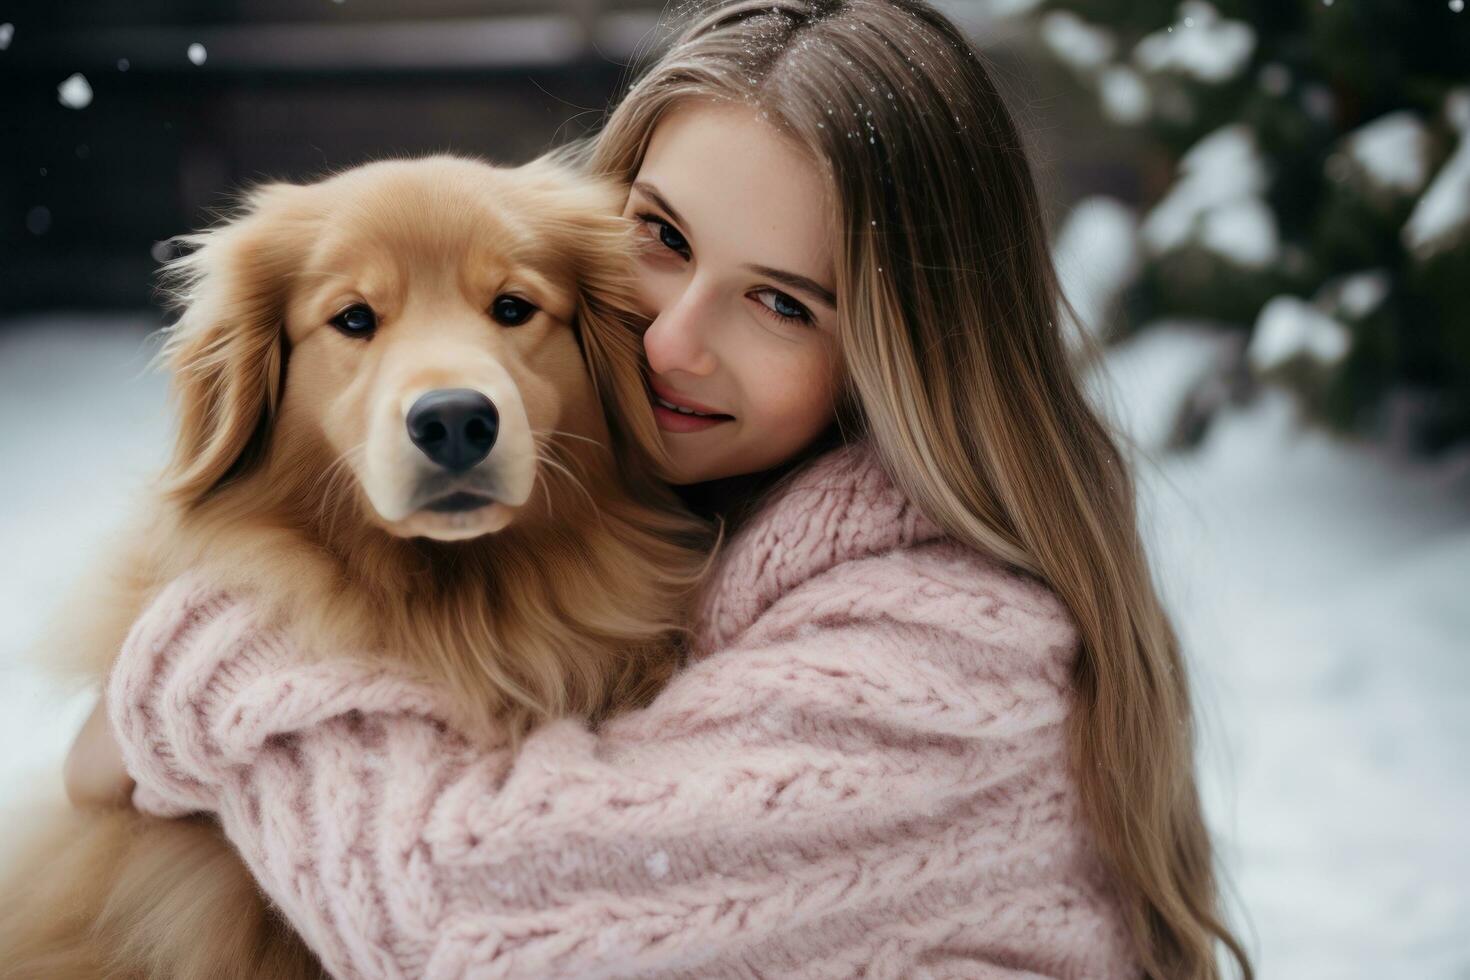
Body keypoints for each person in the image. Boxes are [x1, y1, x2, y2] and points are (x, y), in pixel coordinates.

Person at [66, 1, 1255, 977]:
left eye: (782, 301)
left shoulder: (949, 650)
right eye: (664, 241)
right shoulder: (688, 527)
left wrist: (211, 664)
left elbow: (466, 914)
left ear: (905, 349)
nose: (674, 341)